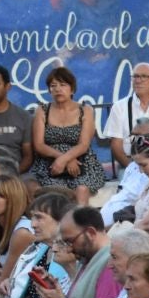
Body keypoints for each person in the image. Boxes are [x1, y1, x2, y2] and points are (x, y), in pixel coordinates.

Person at [27, 66, 104, 201]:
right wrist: (62, 159)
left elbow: (84, 144)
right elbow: (39, 145)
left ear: (72, 89)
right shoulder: (42, 110)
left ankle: (80, 221)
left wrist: (66, 158)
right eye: (53, 85)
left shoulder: (85, 110)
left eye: (63, 85)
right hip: (49, 165)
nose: (58, 89)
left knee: (81, 190)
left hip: (81, 163)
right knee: (57, 193)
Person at [102, 64, 149, 171]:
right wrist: (133, 169)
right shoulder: (119, 107)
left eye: (144, 76)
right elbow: (116, 145)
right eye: (135, 76)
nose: (138, 80)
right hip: (130, 164)